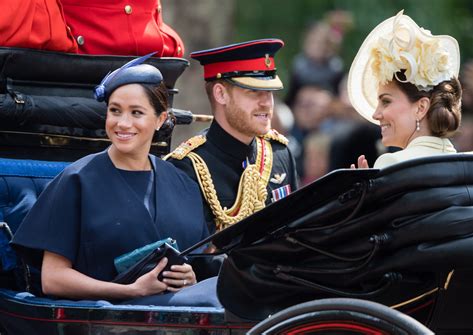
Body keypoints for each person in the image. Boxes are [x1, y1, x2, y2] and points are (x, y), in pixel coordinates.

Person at [11, 54, 220, 307]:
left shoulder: (183, 185)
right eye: (115, 111)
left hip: (177, 318)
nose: (123, 123)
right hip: (102, 319)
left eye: (136, 113)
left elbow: (198, 264)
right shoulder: (76, 180)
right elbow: (53, 279)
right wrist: (131, 291)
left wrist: (191, 277)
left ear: (160, 119)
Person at [166, 39, 298, 234]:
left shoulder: (279, 153)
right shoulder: (187, 168)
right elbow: (196, 257)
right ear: (221, 94)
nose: (266, 103)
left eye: (269, 92)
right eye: (253, 91)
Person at [348, 10, 462, 169]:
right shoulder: (464, 163)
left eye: (386, 101)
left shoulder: (391, 163)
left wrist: (367, 193)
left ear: (421, 108)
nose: (376, 114)